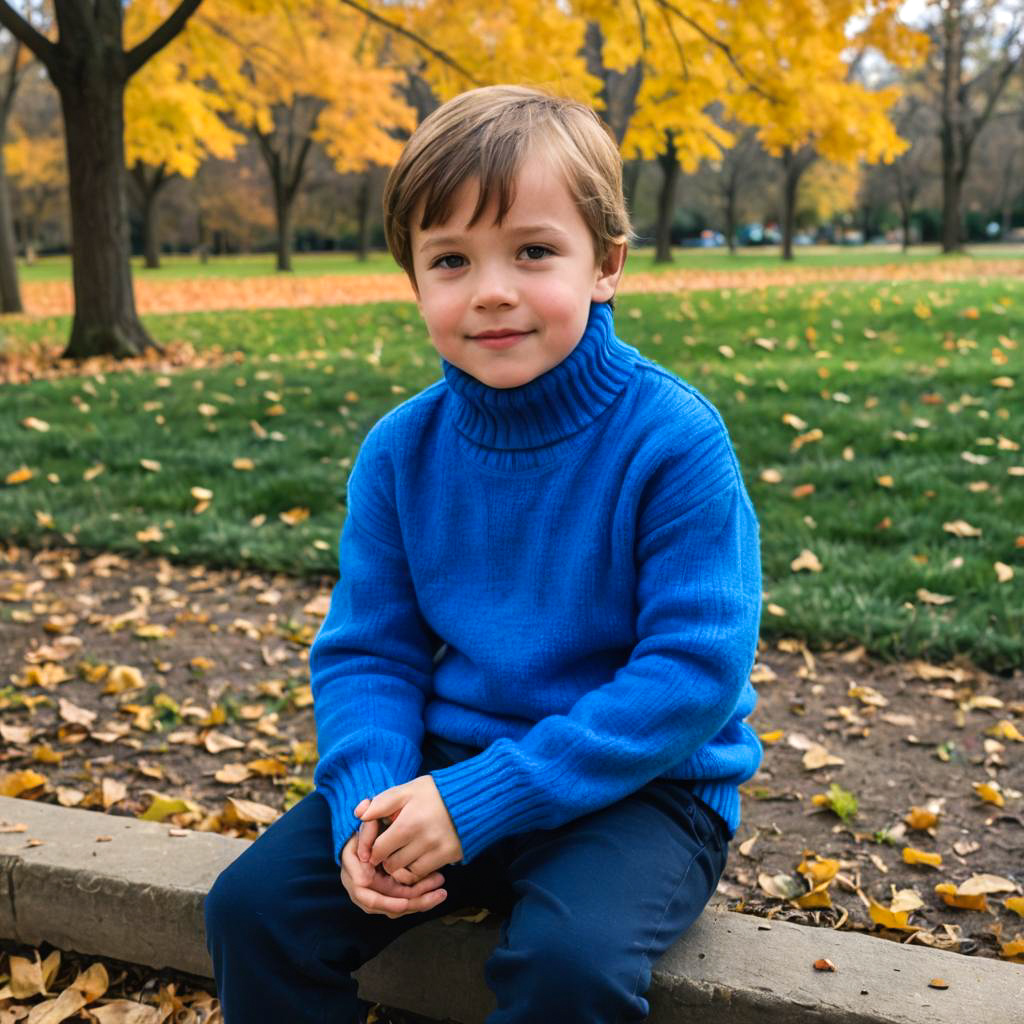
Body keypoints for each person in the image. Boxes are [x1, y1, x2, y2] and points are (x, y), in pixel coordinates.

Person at [204, 83, 763, 1024]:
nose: (493, 290)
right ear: (415, 282)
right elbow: (368, 652)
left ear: (607, 264)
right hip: (440, 769)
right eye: (452, 259)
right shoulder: (400, 451)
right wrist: (371, 807)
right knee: (254, 911)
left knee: (566, 965)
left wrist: (484, 797)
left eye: (534, 251)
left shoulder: (674, 440)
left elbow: (691, 674)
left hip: (642, 789)